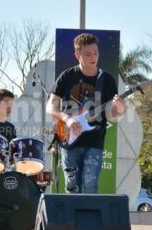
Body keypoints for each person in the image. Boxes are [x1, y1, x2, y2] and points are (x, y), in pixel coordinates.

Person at [46, 33, 126, 194]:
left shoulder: (107, 80)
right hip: (69, 139)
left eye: (96, 53)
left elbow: (112, 115)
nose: (93, 57)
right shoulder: (67, 76)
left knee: (91, 186)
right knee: (72, 187)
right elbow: (50, 107)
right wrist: (67, 118)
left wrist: (120, 108)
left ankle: (89, 220)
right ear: (78, 55)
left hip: (94, 141)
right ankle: (71, 220)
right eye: (88, 54)